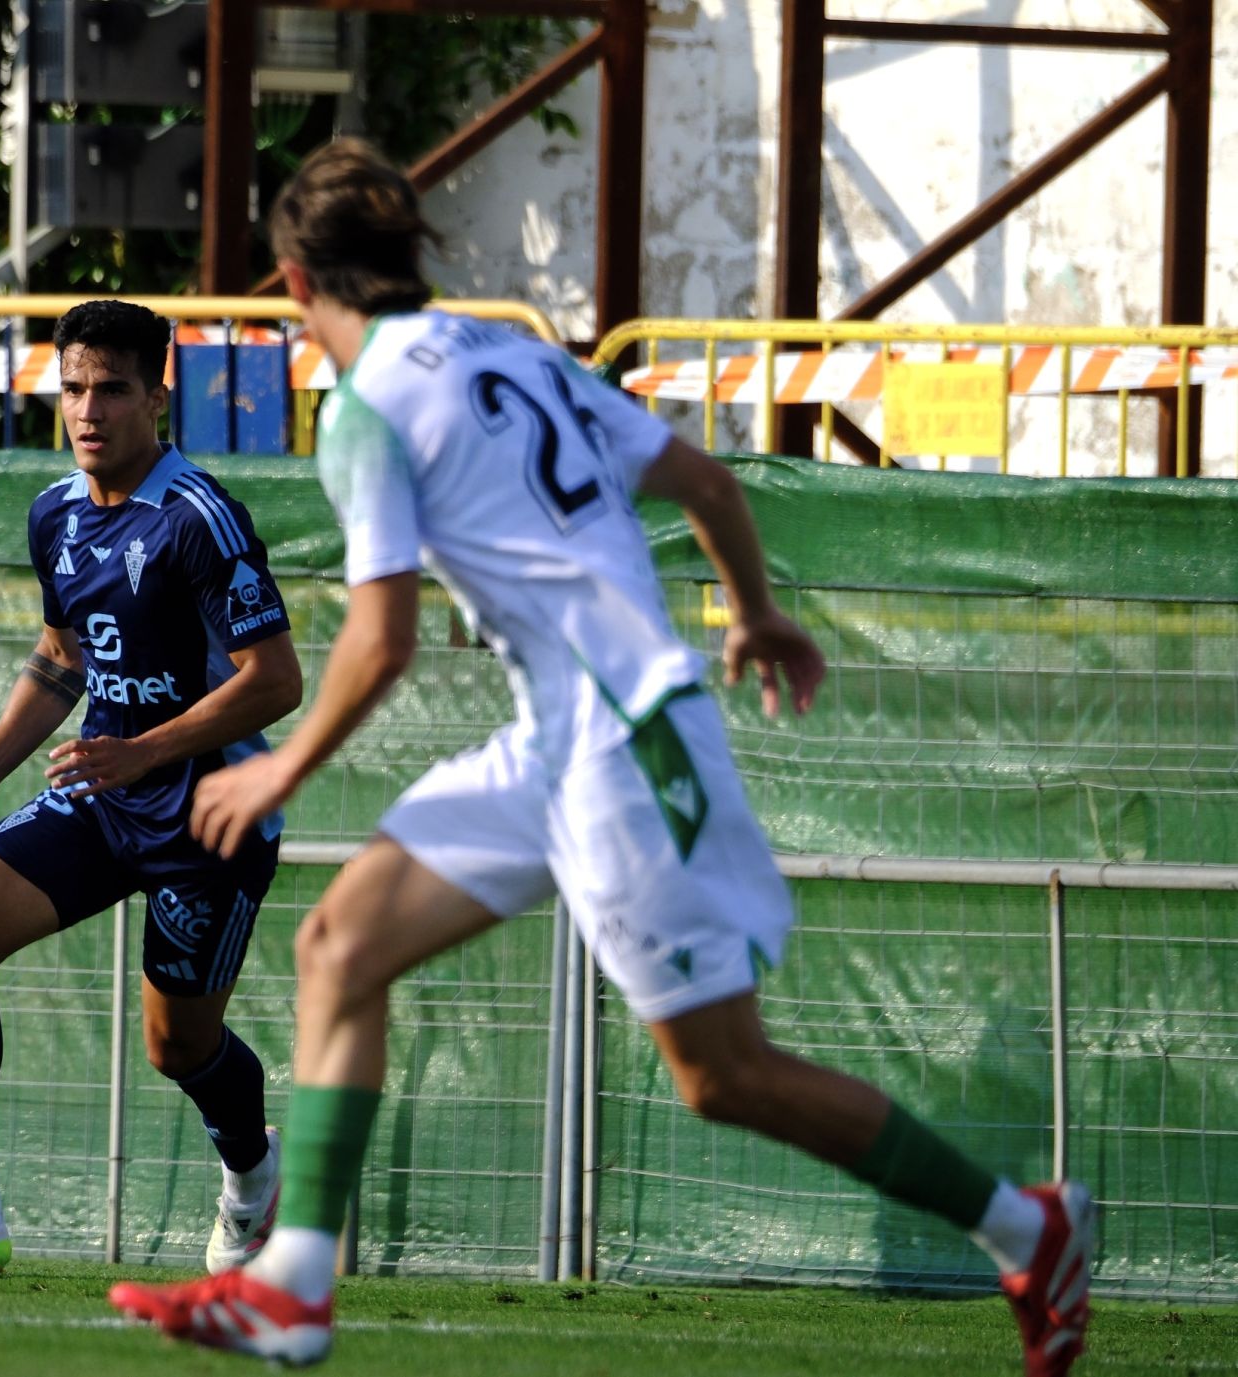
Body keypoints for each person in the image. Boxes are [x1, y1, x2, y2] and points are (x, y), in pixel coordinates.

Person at [108, 140, 1094, 1377]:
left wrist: (279, 769)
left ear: (293, 281)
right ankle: (296, 1286)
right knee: (339, 947)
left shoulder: (365, 410)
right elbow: (707, 482)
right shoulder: (522, 356)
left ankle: (1027, 1224)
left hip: (622, 742)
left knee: (723, 1074)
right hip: (556, 737)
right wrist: (754, 613)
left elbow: (382, 638)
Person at [0, 299, 303, 1274]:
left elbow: (277, 681)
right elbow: (61, 660)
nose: (89, 411)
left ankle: (254, 1178)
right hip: (104, 788)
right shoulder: (55, 514)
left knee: (177, 1048)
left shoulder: (198, 519)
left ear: (157, 400)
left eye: (113, 389)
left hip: (212, 809)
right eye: (73, 388)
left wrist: (149, 751)